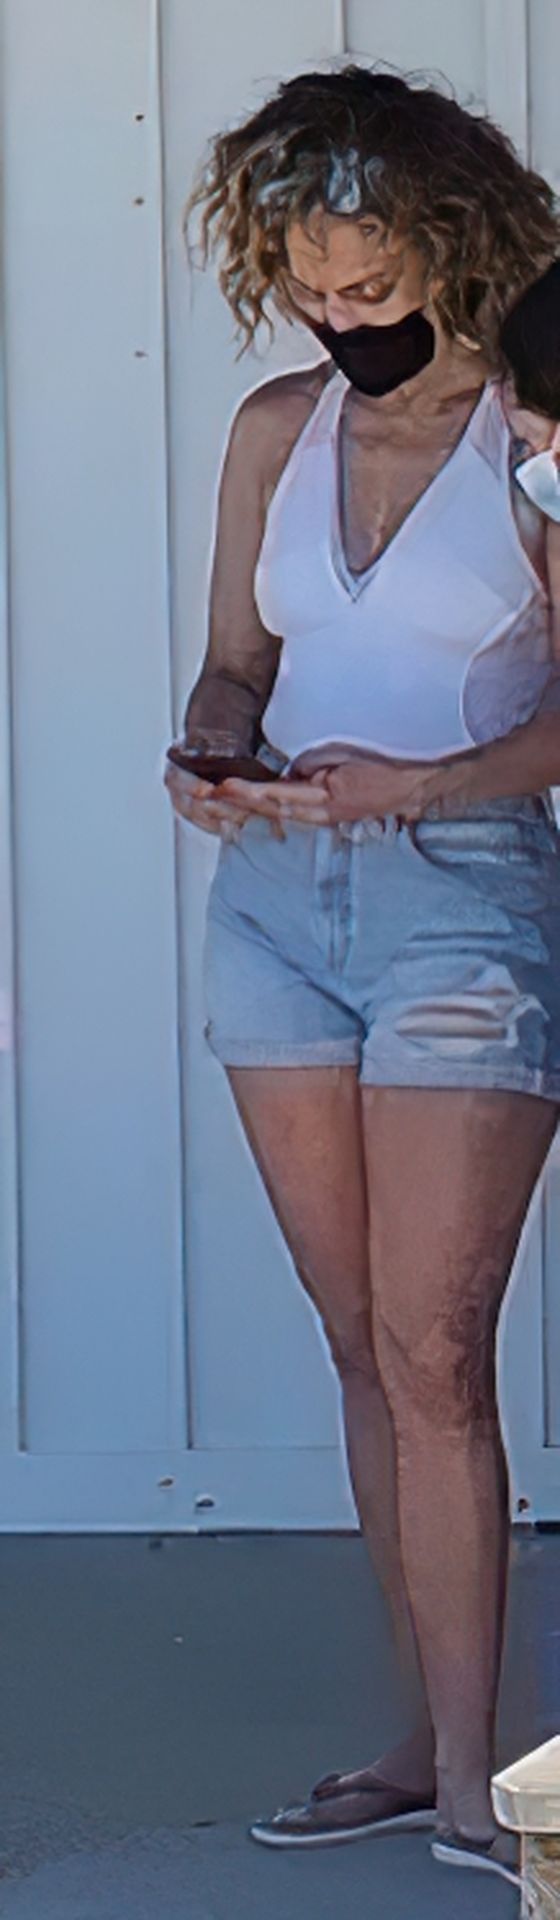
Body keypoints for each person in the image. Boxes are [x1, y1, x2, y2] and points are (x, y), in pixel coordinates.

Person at [164, 65, 560, 1886]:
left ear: (456, 252)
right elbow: (236, 662)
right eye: (313, 291)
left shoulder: (534, 440)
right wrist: (208, 749)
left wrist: (426, 786)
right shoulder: (278, 429)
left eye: (375, 286)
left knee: (435, 1350)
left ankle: (486, 1785)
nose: (342, 321)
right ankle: (416, 1744)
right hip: (275, 910)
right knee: (357, 1346)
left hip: (463, 905)